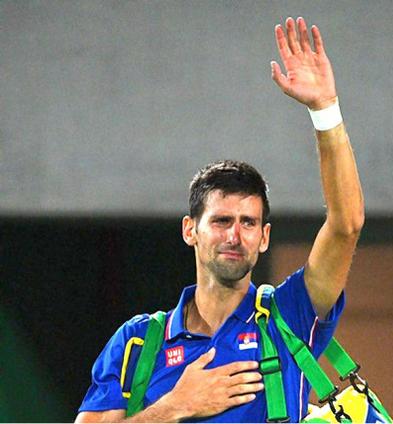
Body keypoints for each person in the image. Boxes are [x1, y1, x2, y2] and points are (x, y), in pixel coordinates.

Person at [75, 16, 364, 423]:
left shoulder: (291, 315)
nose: (235, 235)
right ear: (189, 230)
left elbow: (346, 224)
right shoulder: (137, 343)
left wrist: (325, 111)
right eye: (222, 220)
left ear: (264, 238)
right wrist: (175, 406)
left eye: (248, 223)